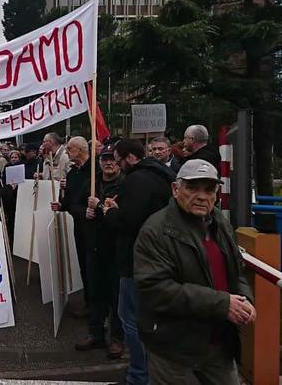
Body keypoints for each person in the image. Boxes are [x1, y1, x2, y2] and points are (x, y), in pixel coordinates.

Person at [134, 160, 255, 384]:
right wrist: (222, 303)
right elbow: (155, 289)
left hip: (219, 341)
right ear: (175, 189)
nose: (201, 196)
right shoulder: (155, 231)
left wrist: (244, 300)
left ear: (217, 193)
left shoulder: (220, 221)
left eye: (209, 189)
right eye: (192, 187)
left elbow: (236, 270)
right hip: (174, 346)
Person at [96, 139, 175, 385]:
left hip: (135, 260)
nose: (116, 164)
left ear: (130, 157)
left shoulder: (138, 179)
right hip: (159, 258)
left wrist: (109, 210)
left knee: (130, 317)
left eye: (118, 159)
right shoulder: (162, 175)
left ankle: (139, 375)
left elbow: (128, 221)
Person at [54, 144, 124, 358]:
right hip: (94, 248)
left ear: (118, 162)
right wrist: (83, 211)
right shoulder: (91, 183)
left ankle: (116, 338)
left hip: (116, 250)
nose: (108, 163)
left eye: (112, 159)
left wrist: (101, 205)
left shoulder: (126, 185)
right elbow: (71, 205)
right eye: (104, 159)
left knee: (116, 296)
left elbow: (126, 217)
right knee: (95, 293)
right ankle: (95, 333)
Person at [51, 136, 92, 313]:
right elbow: (70, 198)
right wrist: (62, 205)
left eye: (69, 149)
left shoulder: (93, 172)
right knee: (83, 263)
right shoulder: (73, 172)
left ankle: (98, 307)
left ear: (81, 150)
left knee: (93, 267)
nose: (67, 152)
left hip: (93, 228)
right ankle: (89, 303)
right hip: (79, 225)